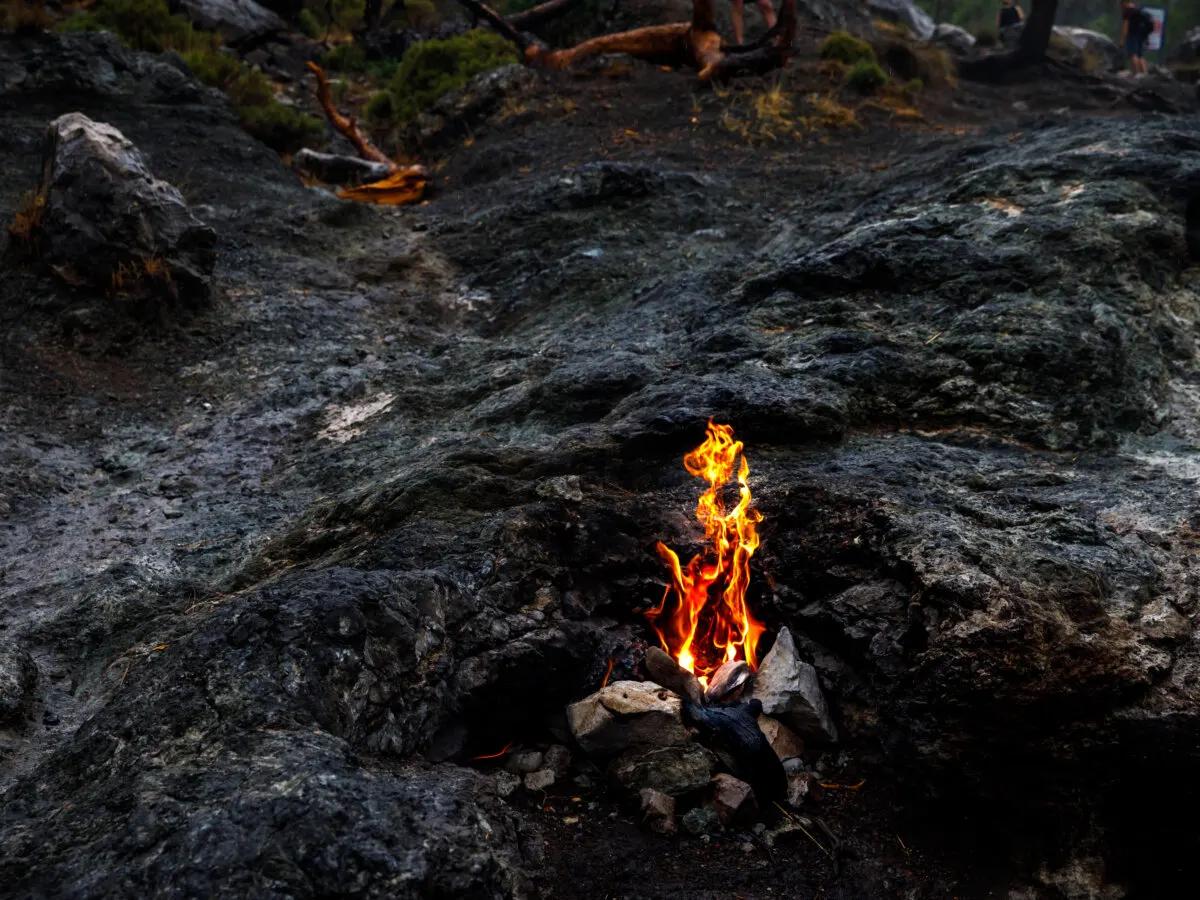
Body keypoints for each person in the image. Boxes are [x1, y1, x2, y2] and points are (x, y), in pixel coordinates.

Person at [1120, 0, 1152, 75]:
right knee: (1140, 55)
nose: (1121, 6)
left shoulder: (1128, 12)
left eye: (1121, 3)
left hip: (1132, 35)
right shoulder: (1138, 10)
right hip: (1141, 36)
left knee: (1133, 55)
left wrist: (1122, 41)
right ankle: (1144, 74)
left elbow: (1125, 27)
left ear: (1125, 3)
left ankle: (1136, 74)